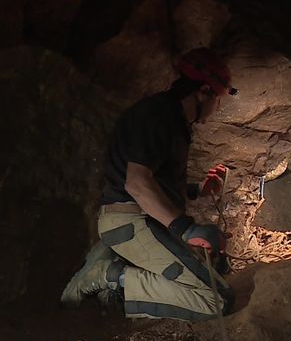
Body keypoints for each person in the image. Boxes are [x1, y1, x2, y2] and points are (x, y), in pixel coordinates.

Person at [60, 47, 236, 321]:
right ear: (204, 91)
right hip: (134, 223)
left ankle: (117, 273)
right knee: (217, 300)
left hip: (142, 222)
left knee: (213, 278)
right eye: (219, 98)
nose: (218, 107)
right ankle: (110, 275)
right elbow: (137, 184)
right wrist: (186, 229)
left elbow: (154, 180)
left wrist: (198, 190)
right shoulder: (158, 115)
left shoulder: (171, 120)